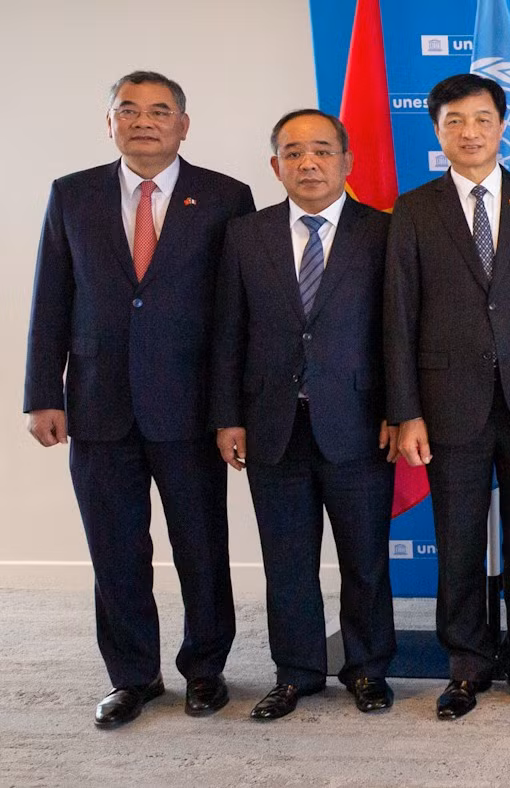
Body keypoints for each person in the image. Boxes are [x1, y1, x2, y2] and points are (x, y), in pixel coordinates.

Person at [25, 71, 254, 728]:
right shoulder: (72, 195)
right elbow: (51, 301)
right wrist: (44, 392)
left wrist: (229, 408)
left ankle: (205, 670)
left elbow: (235, 313)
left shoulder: (225, 196)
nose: (144, 121)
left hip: (190, 408)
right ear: (109, 122)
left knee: (200, 544)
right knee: (116, 549)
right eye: (129, 110)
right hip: (98, 403)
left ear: (184, 124)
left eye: (160, 111)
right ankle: (134, 676)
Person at [384, 73, 510, 720]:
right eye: (455, 121)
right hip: (446, 406)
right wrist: (405, 410)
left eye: (483, 119)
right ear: (436, 130)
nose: (470, 132)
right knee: (459, 542)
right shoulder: (413, 209)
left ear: (502, 124)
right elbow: (398, 315)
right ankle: (464, 666)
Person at [210, 109, 398, 720]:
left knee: (365, 558)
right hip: (272, 425)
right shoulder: (246, 234)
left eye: (321, 151)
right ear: (275, 166)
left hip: (360, 422)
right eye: (293, 153)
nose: (307, 163)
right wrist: (227, 415)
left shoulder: (383, 232)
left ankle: (367, 669)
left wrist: (400, 411)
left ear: (347, 163)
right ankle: (296, 672)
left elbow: (397, 334)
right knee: (286, 560)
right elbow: (228, 332)